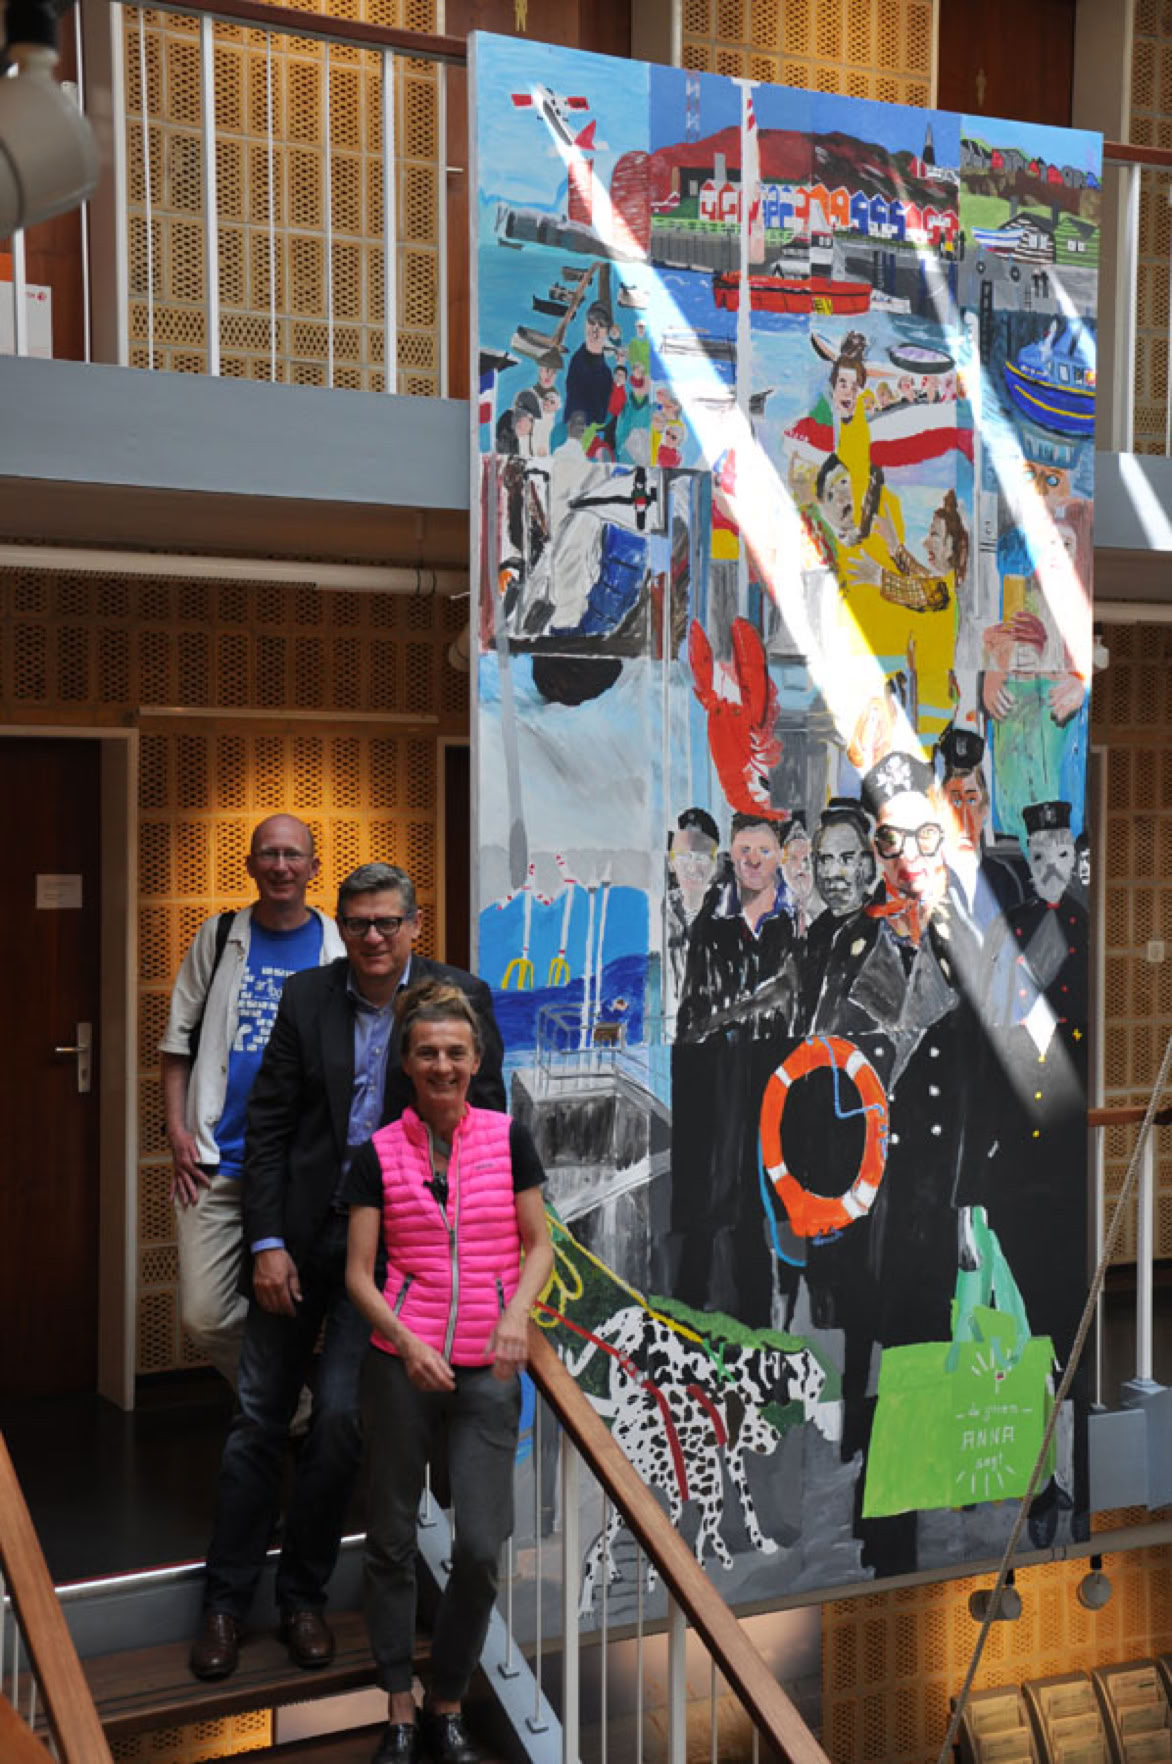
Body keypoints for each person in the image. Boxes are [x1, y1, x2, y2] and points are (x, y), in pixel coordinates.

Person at [189, 863, 506, 1683]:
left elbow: (485, 1127)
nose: (372, 937)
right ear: (342, 926)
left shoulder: (456, 999)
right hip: (297, 1239)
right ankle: (224, 1606)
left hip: (387, 1257)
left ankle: (302, 1599)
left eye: (387, 922)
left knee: (337, 1424)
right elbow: (268, 1127)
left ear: (414, 924)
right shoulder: (307, 998)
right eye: (357, 922)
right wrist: (265, 1241)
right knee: (258, 1418)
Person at [345, 981, 553, 1764]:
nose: (442, 1065)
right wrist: (406, 1341)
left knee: (480, 1549)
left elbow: (539, 1245)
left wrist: (515, 1317)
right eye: (427, 1052)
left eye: (455, 1053)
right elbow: (359, 1274)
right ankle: (399, 1703)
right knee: (392, 1538)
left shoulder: (509, 1138)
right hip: (401, 1367)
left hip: (488, 1370)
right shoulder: (378, 1154)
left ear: (476, 1060)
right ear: (406, 1062)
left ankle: (448, 1700)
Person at [160, 815, 344, 1388]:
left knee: (301, 1302)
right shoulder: (218, 938)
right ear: (249, 865)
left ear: (313, 867)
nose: (281, 867)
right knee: (206, 1315)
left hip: (299, 1166)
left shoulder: (337, 946)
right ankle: (291, 1405)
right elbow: (176, 1045)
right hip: (215, 1162)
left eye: (293, 855)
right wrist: (177, 1132)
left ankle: (284, 1417)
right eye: (268, 854)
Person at [564, 301, 614, 431]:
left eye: (601, 324)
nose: (595, 329)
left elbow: (601, 419)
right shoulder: (576, 361)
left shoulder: (606, 375)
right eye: (591, 321)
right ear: (585, 324)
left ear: (607, 332)